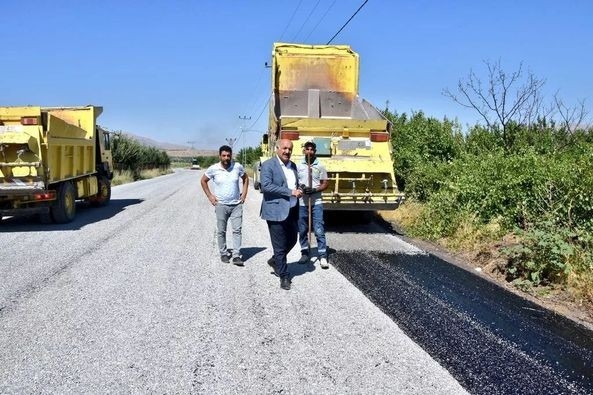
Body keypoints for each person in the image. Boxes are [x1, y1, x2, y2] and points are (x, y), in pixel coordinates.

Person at [260, 139, 303, 290]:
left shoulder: (293, 166)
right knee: (279, 245)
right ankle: (283, 275)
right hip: (275, 211)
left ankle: (276, 261)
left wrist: (299, 190)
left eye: (290, 149)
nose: (287, 151)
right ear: (277, 148)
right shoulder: (268, 165)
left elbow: (294, 185)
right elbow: (266, 186)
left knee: (292, 239)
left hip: (292, 210)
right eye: (284, 148)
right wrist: (290, 192)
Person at [201, 145, 249, 266]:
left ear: (231, 155)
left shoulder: (237, 167)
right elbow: (203, 181)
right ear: (220, 156)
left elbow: (246, 178)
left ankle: (237, 255)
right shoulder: (213, 169)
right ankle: (223, 253)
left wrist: (244, 195)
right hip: (221, 205)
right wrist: (210, 197)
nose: (226, 158)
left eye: (228, 155)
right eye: (224, 155)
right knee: (221, 231)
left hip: (236, 205)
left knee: (237, 230)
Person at [297, 141, 329, 269]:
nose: (309, 152)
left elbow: (325, 183)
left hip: (316, 202)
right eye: (307, 149)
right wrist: (303, 187)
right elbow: (295, 181)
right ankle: (305, 253)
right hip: (302, 203)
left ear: (315, 151)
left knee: (319, 229)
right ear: (304, 151)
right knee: (303, 229)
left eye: (312, 149)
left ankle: (322, 256)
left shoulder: (320, 166)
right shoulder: (299, 166)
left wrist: (315, 190)